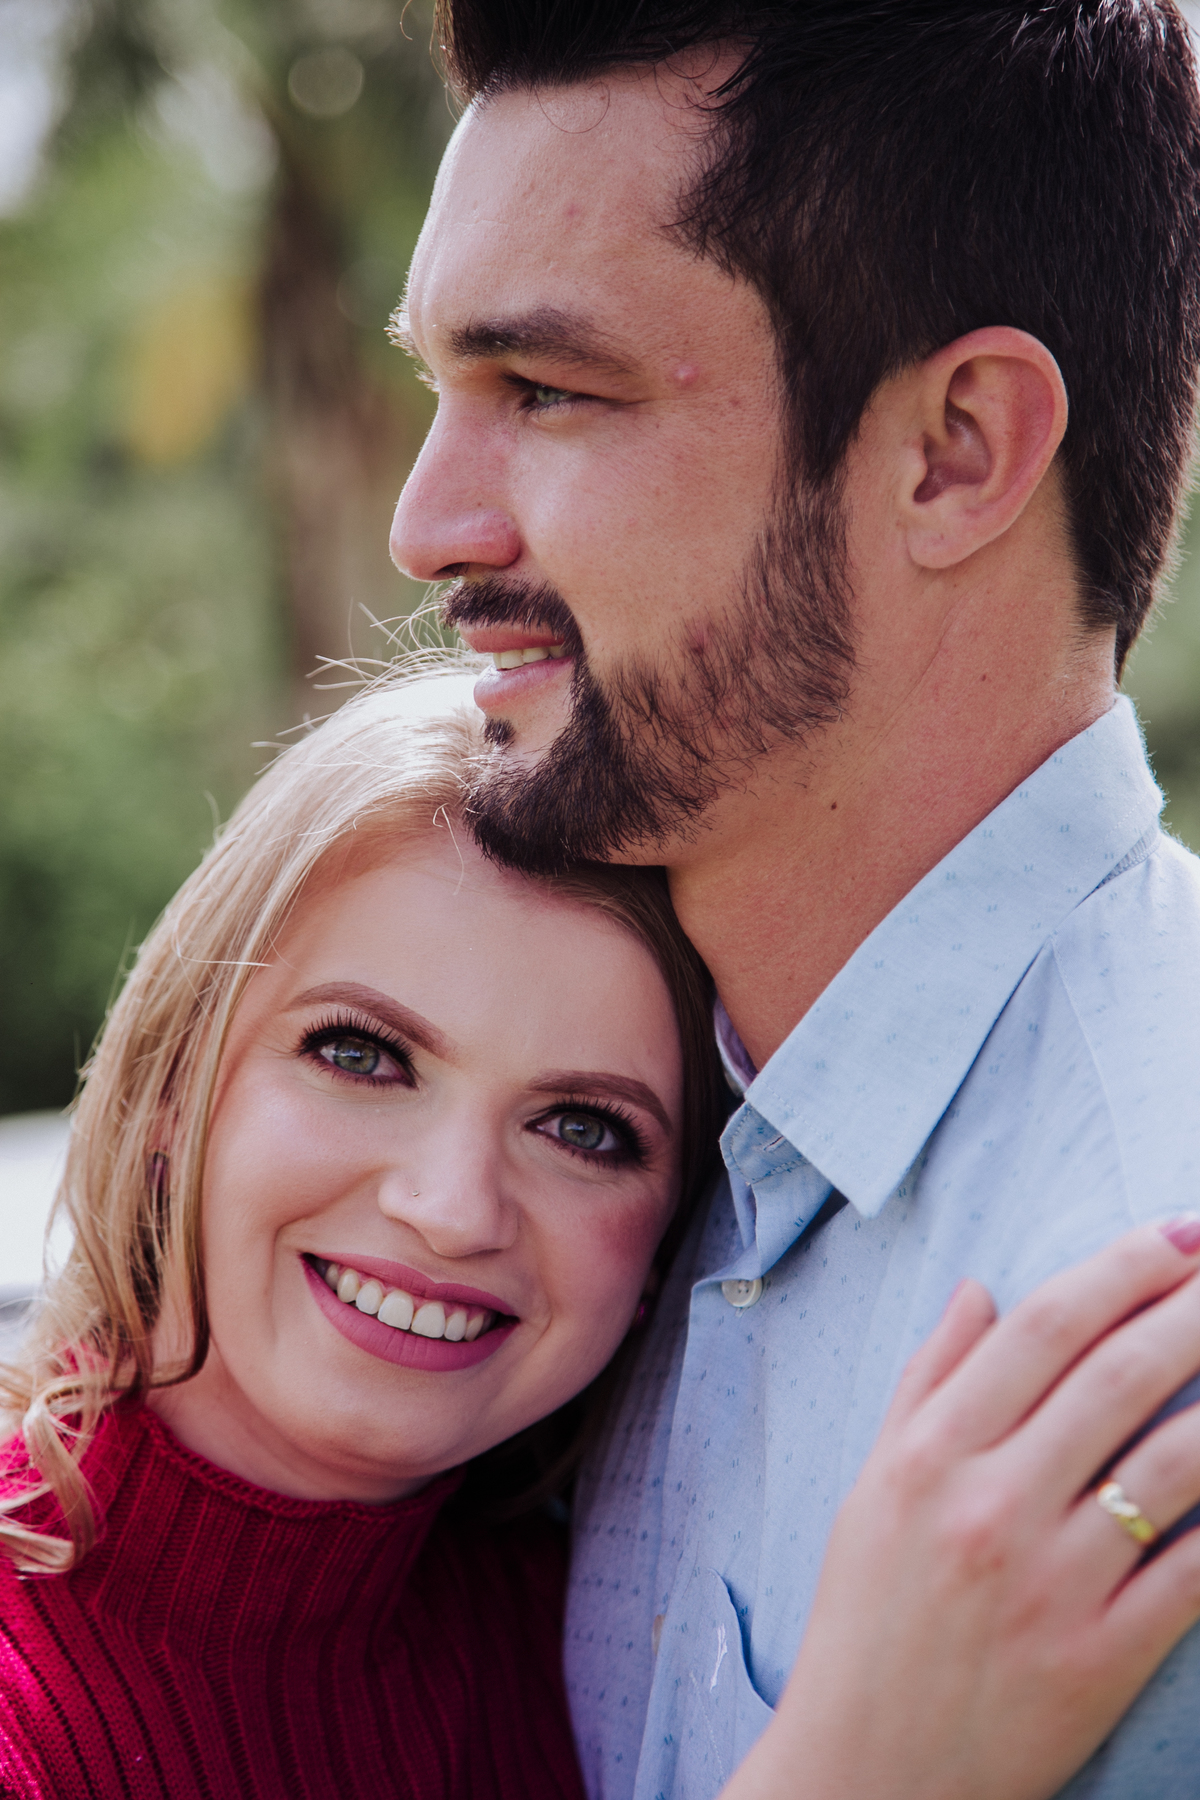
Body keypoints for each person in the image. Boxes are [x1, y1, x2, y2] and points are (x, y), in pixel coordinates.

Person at [385, 1, 1200, 1794]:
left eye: (547, 390)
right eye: (441, 388)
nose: (426, 526)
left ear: (955, 452)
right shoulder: (582, 1189)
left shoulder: (1142, 1350)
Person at [5, 679, 1200, 1800]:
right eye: (360, 1055)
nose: (452, 1208)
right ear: (170, 1094)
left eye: (583, 1129)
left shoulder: (579, 1632)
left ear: (663, 1255)